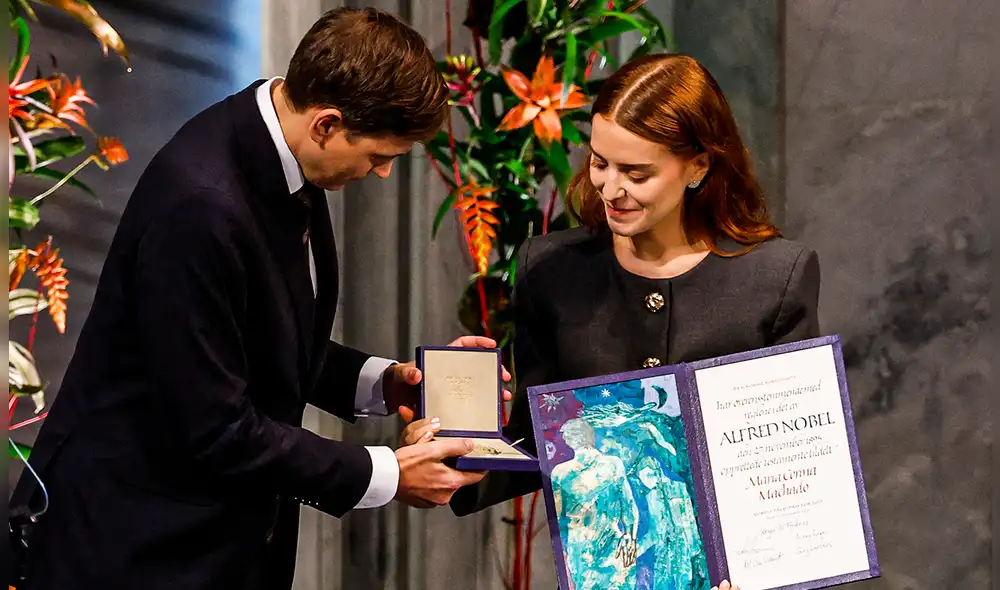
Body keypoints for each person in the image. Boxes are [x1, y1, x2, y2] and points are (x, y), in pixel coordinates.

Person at [8, 8, 510, 590]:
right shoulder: (202, 205)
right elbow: (214, 428)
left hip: (214, 535)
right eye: (378, 157)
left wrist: (385, 382)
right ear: (326, 124)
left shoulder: (277, 144)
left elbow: (258, 333)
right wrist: (387, 473)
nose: (379, 175)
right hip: (137, 542)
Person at [404, 53, 821, 590]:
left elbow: (794, 464)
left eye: (637, 173)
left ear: (698, 166)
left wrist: (770, 572)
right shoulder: (549, 269)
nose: (610, 188)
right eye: (600, 163)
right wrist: (452, 451)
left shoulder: (775, 278)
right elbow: (539, 439)